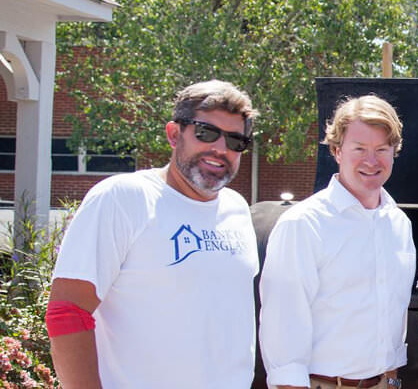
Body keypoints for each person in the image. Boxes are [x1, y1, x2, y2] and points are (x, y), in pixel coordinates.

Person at [46, 80, 260, 388]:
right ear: (174, 134)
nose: (220, 149)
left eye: (236, 141)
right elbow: (67, 314)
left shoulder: (236, 209)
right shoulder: (123, 198)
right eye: (206, 133)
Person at [259, 95, 413, 389]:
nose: (371, 161)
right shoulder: (303, 225)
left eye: (381, 149)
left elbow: (395, 316)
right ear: (336, 150)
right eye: (359, 149)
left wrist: (391, 379)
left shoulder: (399, 225)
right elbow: (283, 328)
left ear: (394, 152)